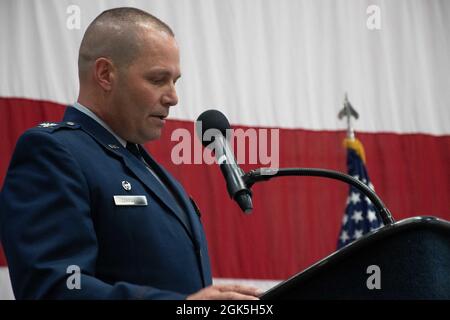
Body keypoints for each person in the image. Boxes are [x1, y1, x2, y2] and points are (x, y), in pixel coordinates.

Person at [0, 7, 262, 300]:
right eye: (157, 79)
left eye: (175, 81)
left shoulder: (148, 169)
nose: (173, 97)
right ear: (105, 74)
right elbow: (55, 288)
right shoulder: (53, 153)